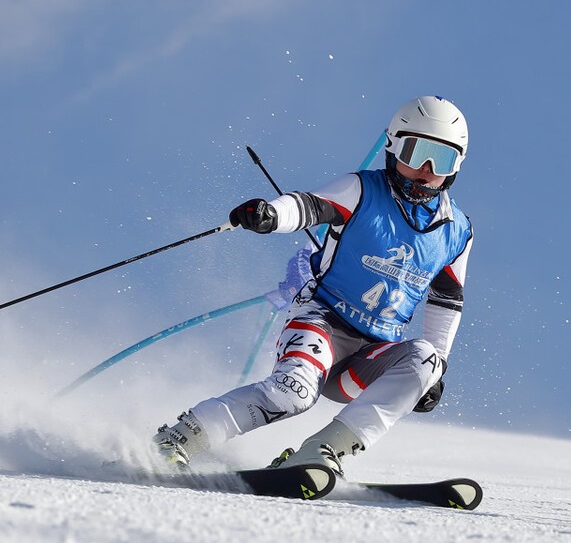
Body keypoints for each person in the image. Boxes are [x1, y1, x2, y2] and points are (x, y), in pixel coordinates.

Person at [152, 95, 474, 477]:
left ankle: (320, 452)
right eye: (416, 150)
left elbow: (447, 298)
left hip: (369, 355)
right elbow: (309, 206)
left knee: (425, 359)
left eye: (443, 159)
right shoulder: (362, 190)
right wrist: (272, 214)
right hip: (322, 321)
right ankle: (181, 438)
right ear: (393, 145)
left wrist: (436, 371)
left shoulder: (457, 231)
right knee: (294, 394)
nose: (426, 169)